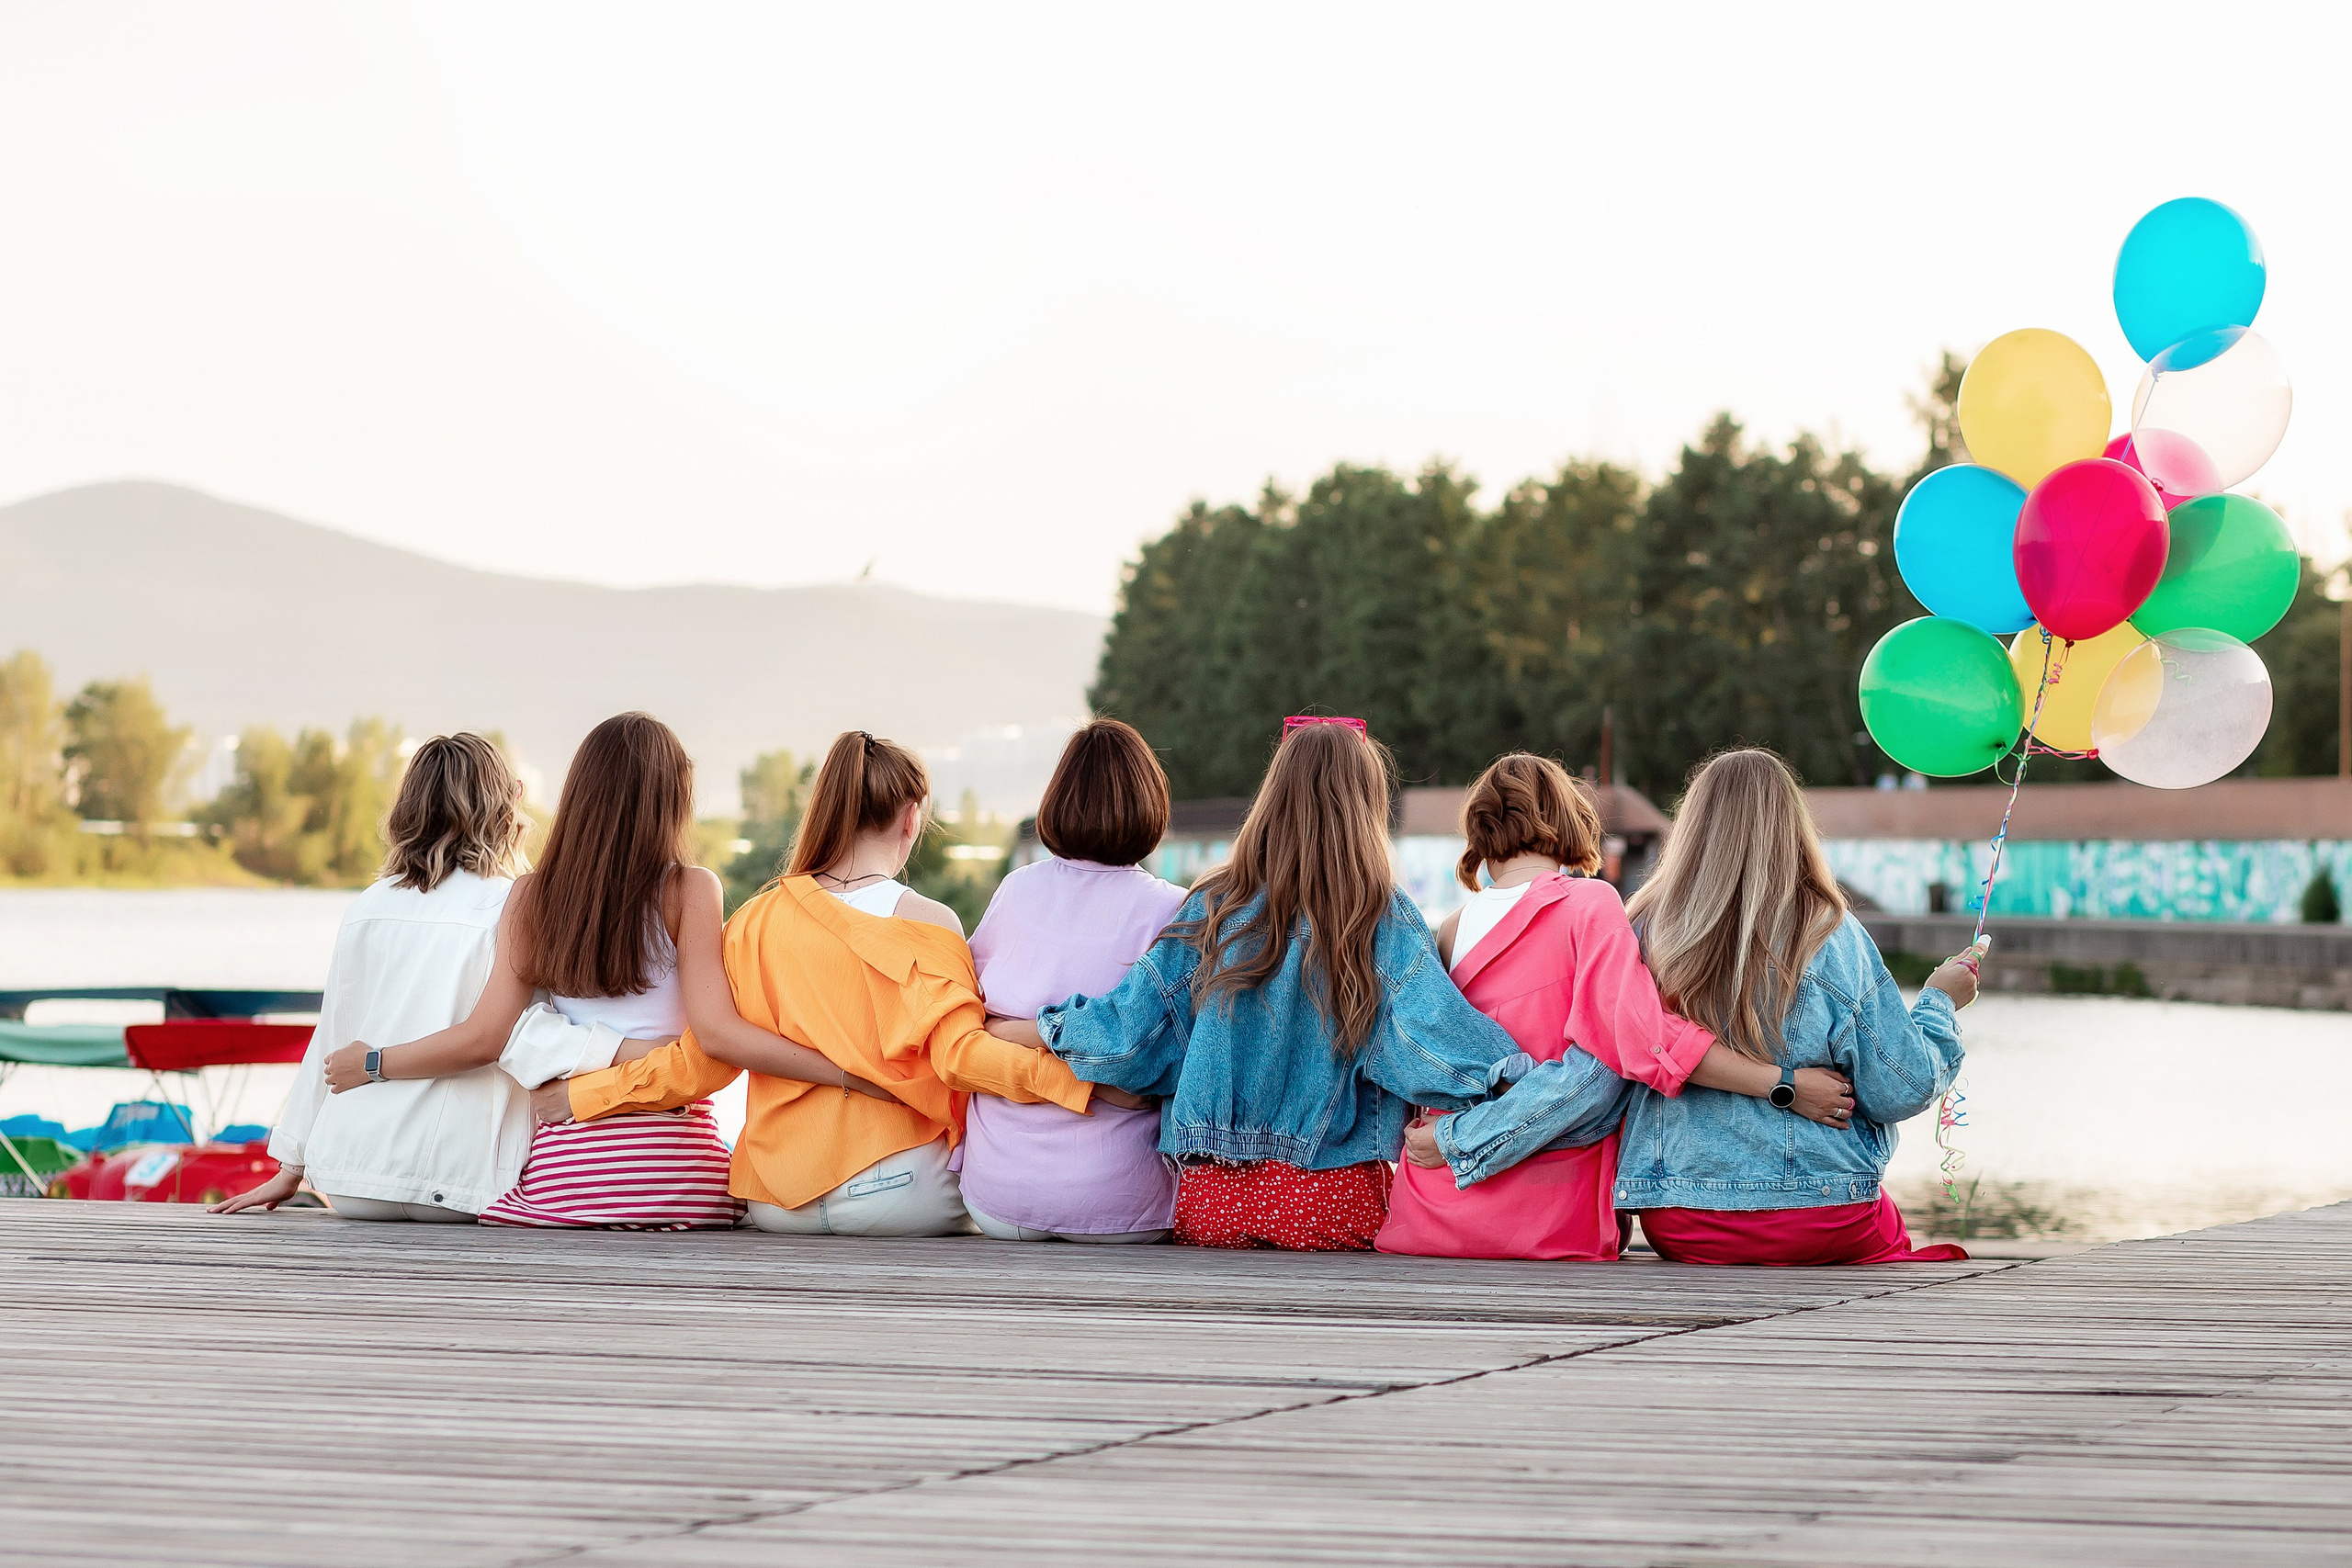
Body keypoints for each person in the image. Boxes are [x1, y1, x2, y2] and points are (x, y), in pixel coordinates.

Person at [306, 714, 879, 1229]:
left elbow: (489, 1036)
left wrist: (373, 1064)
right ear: (673, 799)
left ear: (579, 794)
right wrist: (850, 1075)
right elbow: (717, 1037)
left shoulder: (532, 896)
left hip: (569, 1185)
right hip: (683, 1182)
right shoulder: (692, 889)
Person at [1412, 748, 1979, 1266]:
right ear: (1794, 830)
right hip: (1822, 1212)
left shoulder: (1640, 928)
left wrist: (1466, 1132)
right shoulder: (1832, 935)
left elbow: (1601, 1069)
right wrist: (1939, 1005)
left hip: (1680, 1220)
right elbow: (1898, 1088)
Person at [542, 730, 1099, 1237]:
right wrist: (1083, 1089)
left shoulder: (753, 922)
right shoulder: (930, 922)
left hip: (778, 1203)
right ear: (911, 819)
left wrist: (583, 1094)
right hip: (902, 1189)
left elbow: (703, 1061)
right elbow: (961, 1059)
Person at [1001, 717, 1524, 1252]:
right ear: (1365, 809)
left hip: (1212, 1202)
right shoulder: (1382, 920)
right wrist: (1539, 1076)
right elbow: (1437, 1052)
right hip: (1333, 1201)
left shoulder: (1213, 906)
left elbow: (1128, 1037)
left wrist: (1026, 1029)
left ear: (1271, 798)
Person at [212, 733, 533, 1220]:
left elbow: (330, 1038)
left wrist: (291, 1164)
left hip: (353, 1181)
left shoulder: (367, 905)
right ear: (504, 806)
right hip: (461, 1184)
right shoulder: (511, 906)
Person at [961, 719, 1185, 1244]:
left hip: (998, 1198)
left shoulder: (1015, 891)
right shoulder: (1171, 910)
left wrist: (1014, 1029)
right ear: (1150, 803)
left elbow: (974, 1019)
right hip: (1125, 1201)